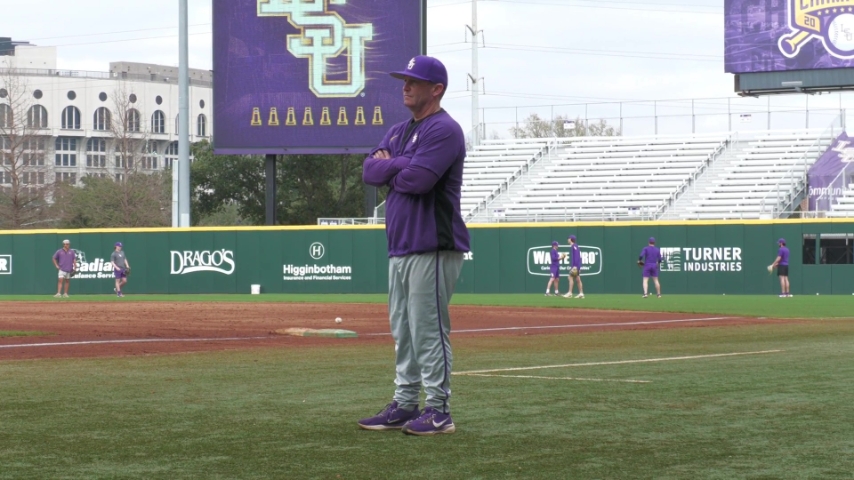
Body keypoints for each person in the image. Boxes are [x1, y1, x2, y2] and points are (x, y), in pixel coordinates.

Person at [359, 55, 469, 436]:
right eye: (404, 80)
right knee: (403, 330)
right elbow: (369, 170)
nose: (405, 86)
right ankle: (405, 404)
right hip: (401, 244)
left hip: (433, 244)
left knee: (427, 329)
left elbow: (419, 181)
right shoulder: (398, 130)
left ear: (436, 89)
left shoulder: (444, 129)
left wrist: (395, 166)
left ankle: (438, 410)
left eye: (414, 81)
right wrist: (399, 165)